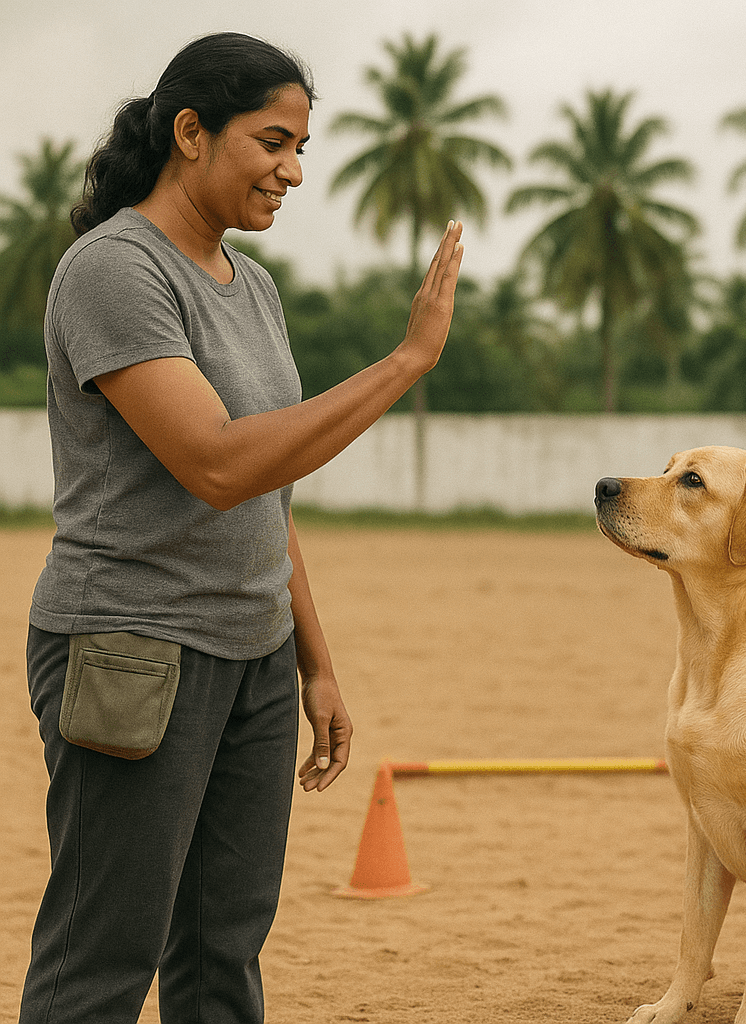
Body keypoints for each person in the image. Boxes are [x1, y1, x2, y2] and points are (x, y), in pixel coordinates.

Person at [20, 31, 463, 1024]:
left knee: (224, 949)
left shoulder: (249, 285)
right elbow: (218, 462)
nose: (293, 171)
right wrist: (403, 363)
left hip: (253, 659)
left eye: (301, 146)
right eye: (273, 142)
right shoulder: (113, 271)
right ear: (189, 132)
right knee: (103, 950)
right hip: (133, 648)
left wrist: (315, 662)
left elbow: (271, 485)